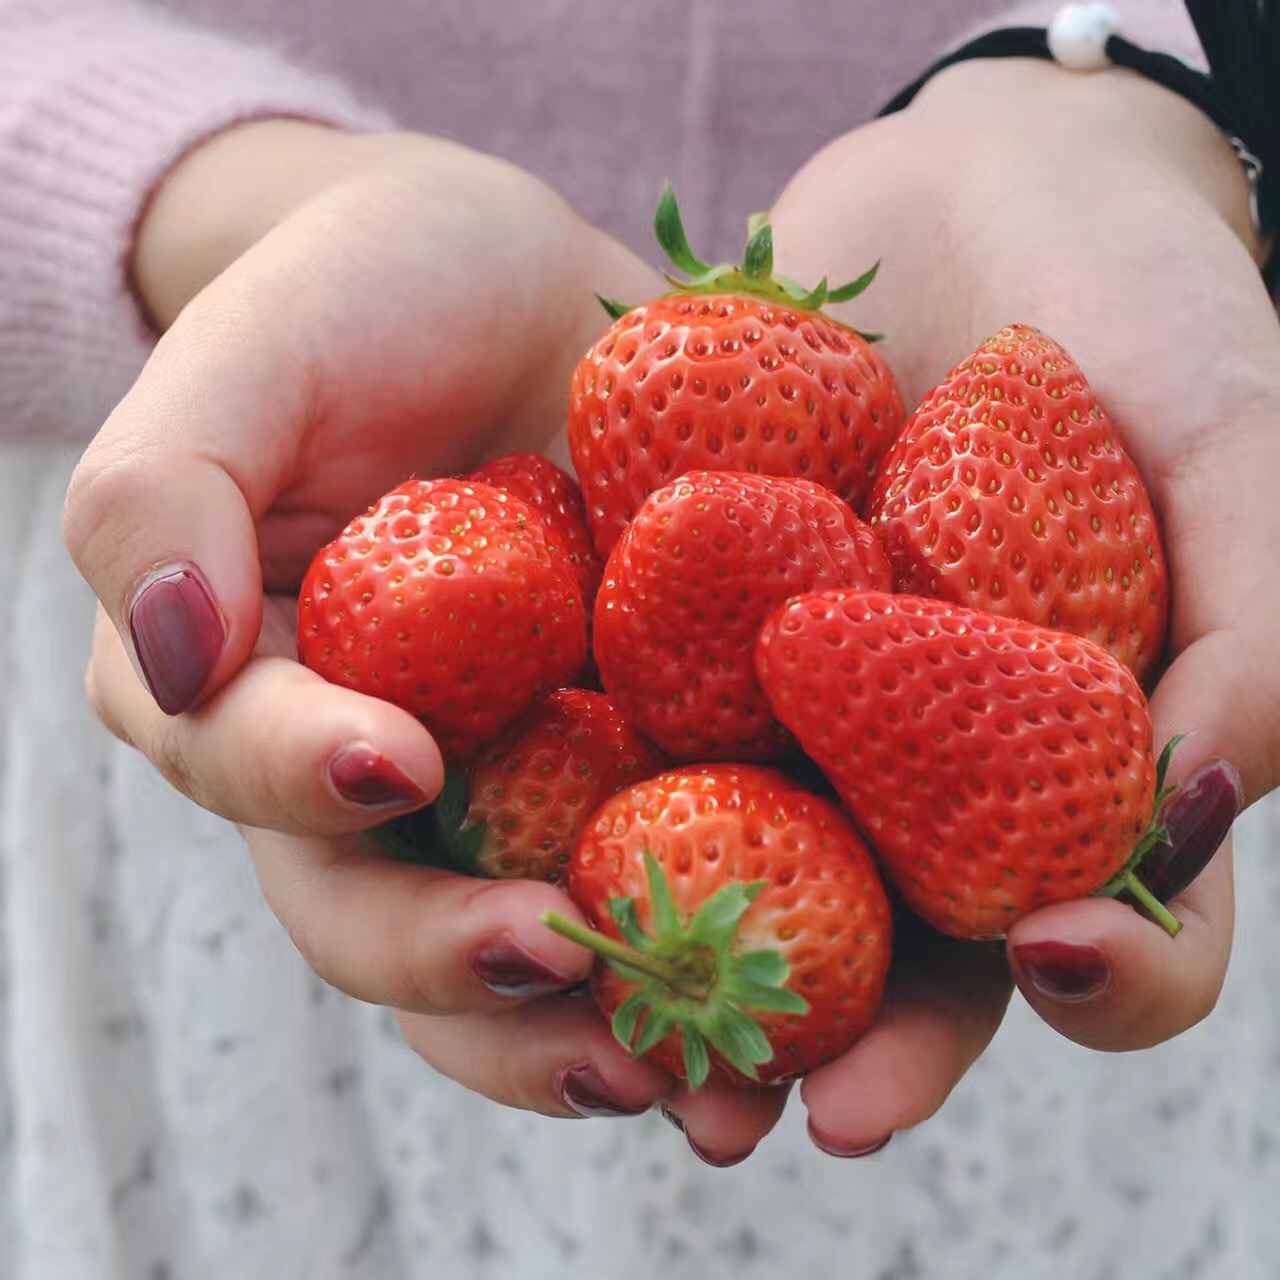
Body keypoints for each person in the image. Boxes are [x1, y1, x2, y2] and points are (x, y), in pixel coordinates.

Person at [2, 0, 1276, 1276]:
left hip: (1002, 751)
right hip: (290, 484)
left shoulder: (814, 583)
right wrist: (209, 203)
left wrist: (1143, 84)